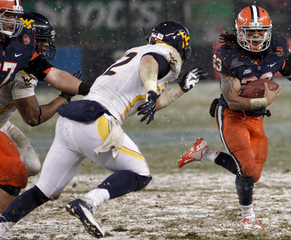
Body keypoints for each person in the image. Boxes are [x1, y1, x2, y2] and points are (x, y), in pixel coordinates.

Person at [0, 20, 207, 238]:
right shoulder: (162, 53)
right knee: (140, 173)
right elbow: (150, 62)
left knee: (44, 190)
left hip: (70, 121)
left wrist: (180, 89)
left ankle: (2, 226)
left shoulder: (137, 53)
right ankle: (88, 202)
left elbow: (147, 103)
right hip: (95, 121)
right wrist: (151, 90)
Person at [177, 5, 291, 230]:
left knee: (253, 175)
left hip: (256, 118)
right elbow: (231, 99)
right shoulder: (228, 54)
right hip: (231, 115)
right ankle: (248, 217)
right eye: (251, 32)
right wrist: (264, 101)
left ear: (269, 31)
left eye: (261, 32)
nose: (257, 36)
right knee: (246, 169)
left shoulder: (278, 48)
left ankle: (206, 153)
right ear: (240, 32)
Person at [0, 2, 91, 214]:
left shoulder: (19, 49)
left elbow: (54, 74)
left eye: (16, 17)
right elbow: (33, 117)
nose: (14, 23)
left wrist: (91, 88)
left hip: (3, 121)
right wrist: (64, 98)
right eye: (8, 16)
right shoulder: (20, 68)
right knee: (15, 173)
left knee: (25, 170)